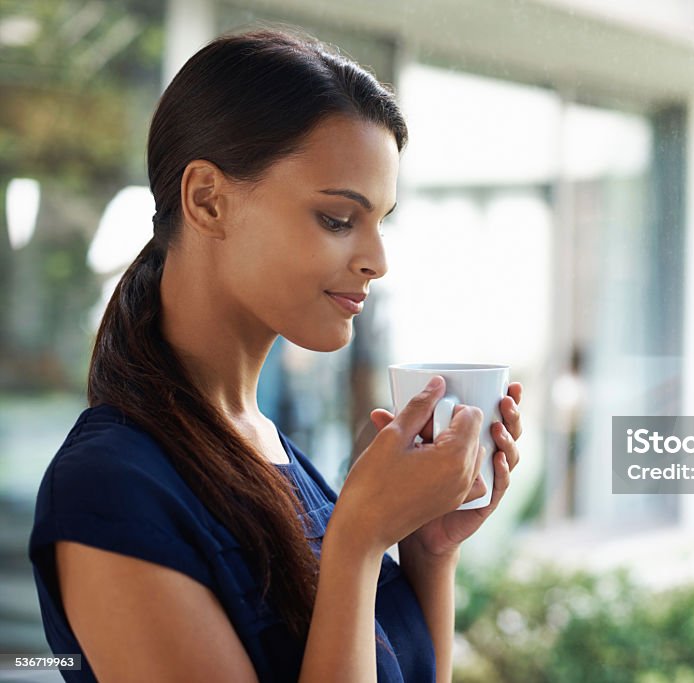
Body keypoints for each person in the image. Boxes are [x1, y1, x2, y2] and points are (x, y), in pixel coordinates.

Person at [27, 28, 523, 683]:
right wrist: (357, 541)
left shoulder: (273, 452)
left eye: (382, 221)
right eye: (339, 219)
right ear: (207, 199)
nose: (377, 259)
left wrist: (428, 548)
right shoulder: (113, 488)